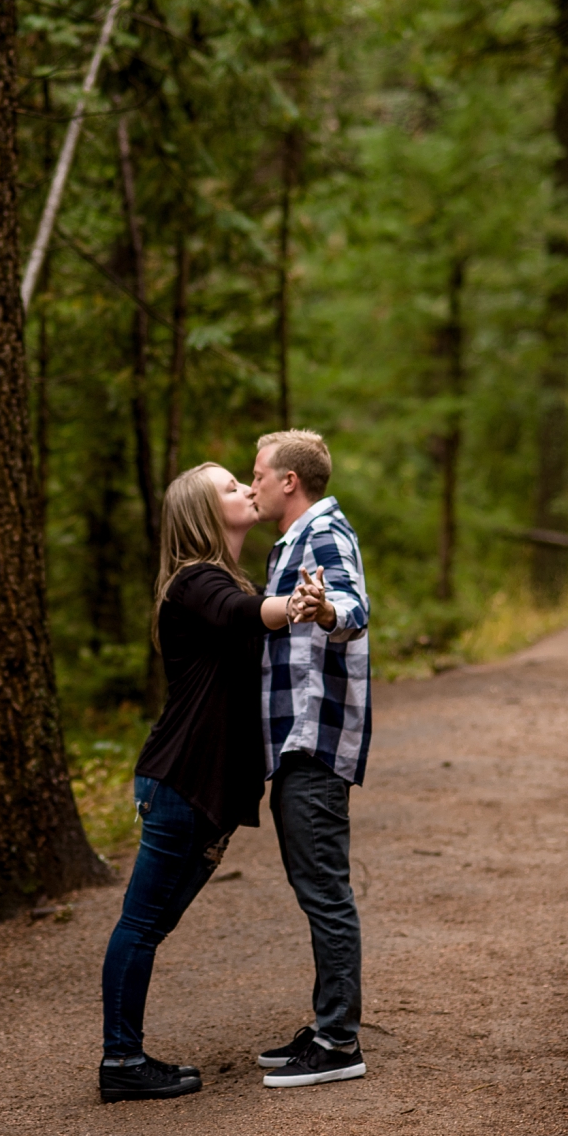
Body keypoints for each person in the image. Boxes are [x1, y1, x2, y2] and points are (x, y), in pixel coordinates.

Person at [99, 461, 321, 1103]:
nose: (246, 489)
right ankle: (120, 1060)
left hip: (201, 791)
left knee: (148, 927)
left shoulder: (221, 578)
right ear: (203, 514)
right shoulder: (197, 583)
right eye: (230, 487)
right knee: (139, 925)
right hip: (181, 783)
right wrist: (296, 606)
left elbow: (247, 609)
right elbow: (244, 614)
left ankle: (123, 1055)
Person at [249, 429, 374, 1089]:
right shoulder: (294, 542)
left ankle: (337, 1040)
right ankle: (329, 1023)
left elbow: (354, 605)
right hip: (296, 743)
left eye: (260, 474)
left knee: (324, 889)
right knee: (313, 884)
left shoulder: (325, 531)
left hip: (315, 745)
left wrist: (328, 610)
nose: (253, 484)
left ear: (289, 480)